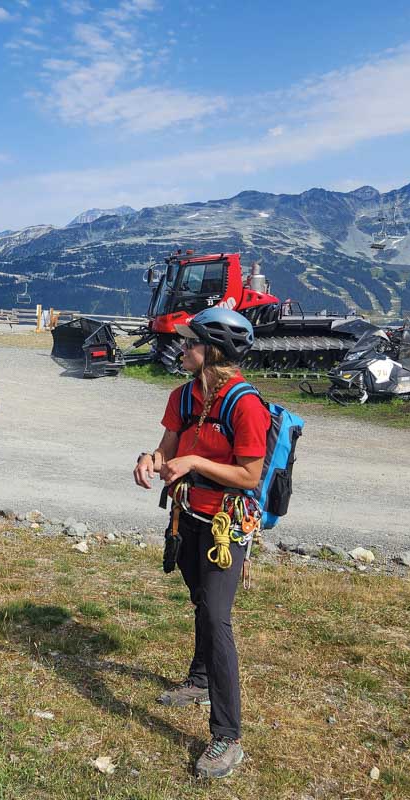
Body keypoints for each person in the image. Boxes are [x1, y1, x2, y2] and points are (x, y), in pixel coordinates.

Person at [132, 306, 268, 780]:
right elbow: (166, 447)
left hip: (226, 526)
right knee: (200, 602)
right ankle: (201, 678)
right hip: (186, 516)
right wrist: (150, 460)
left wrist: (193, 462)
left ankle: (227, 736)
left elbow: (249, 474)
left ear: (213, 352)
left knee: (216, 616)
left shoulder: (245, 405)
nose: (182, 347)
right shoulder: (183, 396)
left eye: (190, 342)